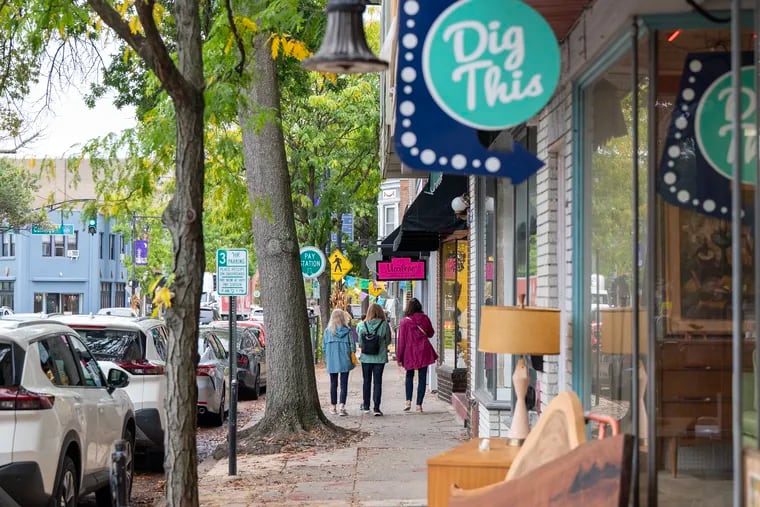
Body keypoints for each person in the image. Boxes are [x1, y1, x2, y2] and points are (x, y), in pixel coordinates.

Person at [396, 298, 437, 412]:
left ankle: (408, 401)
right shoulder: (424, 318)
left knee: (409, 376)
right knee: (422, 378)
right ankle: (419, 405)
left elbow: (401, 342)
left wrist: (399, 357)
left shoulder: (404, 321)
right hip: (423, 351)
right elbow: (431, 334)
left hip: (409, 352)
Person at [357, 303, 392, 416]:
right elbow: (388, 341)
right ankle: (376, 408)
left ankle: (366, 406)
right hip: (379, 358)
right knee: (378, 382)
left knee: (366, 382)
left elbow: (361, 343)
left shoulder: (362, 325)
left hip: (366, 358)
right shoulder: (384, 325)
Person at [322, 309, 355, 416]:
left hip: (332, 360)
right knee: (344, 383)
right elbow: (353, 346)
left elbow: (323, 347)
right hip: (345, 359)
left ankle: (333, 407)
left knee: (333, 383)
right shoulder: (348, 331)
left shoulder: (327, 331)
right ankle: (342, 406)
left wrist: (327, 357)